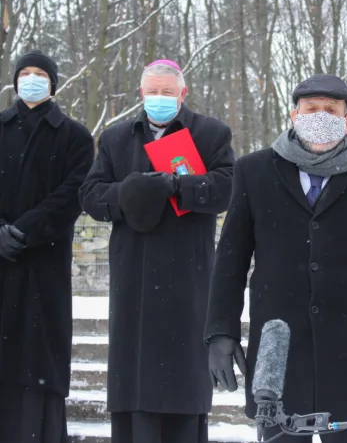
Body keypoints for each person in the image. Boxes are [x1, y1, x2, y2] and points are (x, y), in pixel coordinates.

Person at [205, 74, 347, 443]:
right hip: (280, 354)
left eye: (331, 110)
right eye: (311, 109)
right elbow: (231, 258)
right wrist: (220, 332)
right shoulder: (255, 171)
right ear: (295, 115)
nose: (320, 116)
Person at [78, 59, 235, 443]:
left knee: (182, 382)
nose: (160, 99)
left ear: (183, 94)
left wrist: (178, 184)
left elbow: (227, 189)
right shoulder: (116, 139)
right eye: (153, 92)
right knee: (135, 383)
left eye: (168, 92)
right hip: (134, 273)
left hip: (188, 275)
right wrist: (129, 192)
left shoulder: (212, 134)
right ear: (141, 94)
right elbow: (91, 196)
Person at [0, 50, 94, 442]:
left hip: (44, 265)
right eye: (26, 73)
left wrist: (24, 230)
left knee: (38, 360)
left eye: (41, 74)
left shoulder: (74, 136)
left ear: (53, 84)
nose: (33, 79)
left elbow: (72, 193)